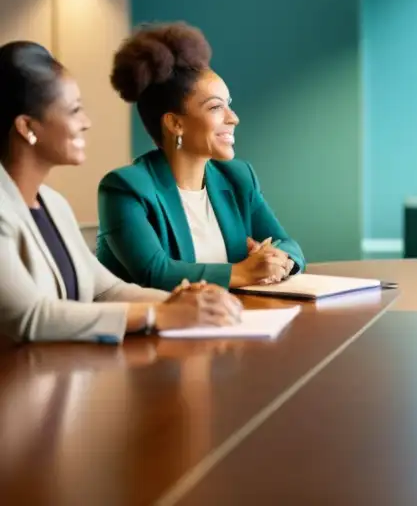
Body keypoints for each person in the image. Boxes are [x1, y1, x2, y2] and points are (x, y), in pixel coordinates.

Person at [0, 41, 241, 343]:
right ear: (27, 127)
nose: (86, 123)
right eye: (74, 110)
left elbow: (105, 290)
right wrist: (156, 315)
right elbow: (29, 317)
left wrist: (184, 300)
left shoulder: (53, 204)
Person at [96, 23, 305, 291]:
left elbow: (286, 244)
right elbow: (155, 273)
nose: (233, 118)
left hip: (226, 320)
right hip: (147, 328)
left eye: (228, 104)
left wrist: (281, 259)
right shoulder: (125, 188)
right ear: (175, 124)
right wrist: (244, 271)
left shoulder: (239, 177)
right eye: (216, 107)